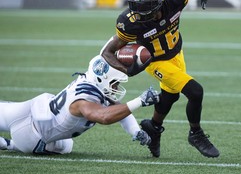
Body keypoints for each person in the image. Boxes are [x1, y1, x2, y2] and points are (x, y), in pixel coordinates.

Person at [101, 0, 219, 158]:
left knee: (170, 96)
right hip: (156, 62)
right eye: (136, 3)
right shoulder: (130, 23)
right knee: (195, 92)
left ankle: (154, 127)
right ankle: (195, 134)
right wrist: (127, 70)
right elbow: (107, 52)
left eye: (145, 4)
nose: (139, 10)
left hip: (176, 53)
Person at [0, 55, 159, 155]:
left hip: (35, 111)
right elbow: (103, 116)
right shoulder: (84, 100)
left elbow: (119, 111)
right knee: (65, 146)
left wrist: (135, 131)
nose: (116, 87)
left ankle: (7, 144)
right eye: (114, 83)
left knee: (66, 146)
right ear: (102, 80)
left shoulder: (91, 80)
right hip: (31, 135)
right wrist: (140, 101)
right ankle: (10, 144)